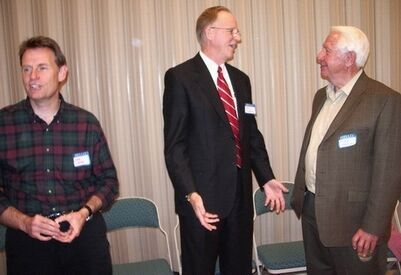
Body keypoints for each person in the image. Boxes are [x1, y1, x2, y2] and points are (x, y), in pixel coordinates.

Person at [163, 6, 287, 275]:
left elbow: (251, 135)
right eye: (232, 31)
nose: (237, 38)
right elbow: (175, 147)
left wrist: (266, 178)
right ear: (210, 32)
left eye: (236, 32)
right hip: (202, 204)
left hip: (240, 201)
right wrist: (190, 194)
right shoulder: (181, 78)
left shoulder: (242, 81)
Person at [0, 36, 119, 275]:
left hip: (83, 237)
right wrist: (24, 222)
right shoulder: (4, 124)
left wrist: (83, 213)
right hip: (28, 243)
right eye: (27, 69)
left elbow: (109, 182)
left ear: (62, 72)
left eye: (42, 68)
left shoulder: (86, 123)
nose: (32, 77)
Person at [291, 26, 401, 275]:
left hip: (355, 225)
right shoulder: (321, 96)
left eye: (326, 50)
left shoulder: (385, 100)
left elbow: (389, 172)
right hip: (312, 212)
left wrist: (373, 226)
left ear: (349, 58)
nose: (319, 56)